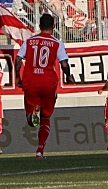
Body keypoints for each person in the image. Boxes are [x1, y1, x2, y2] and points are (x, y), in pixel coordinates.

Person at [16, 13, 73, 159]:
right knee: (46, 118)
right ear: (54, 27)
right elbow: (64, 64)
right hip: (48, 83)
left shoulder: (29, 41)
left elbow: (18, 59)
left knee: (31, 120)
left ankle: (32, 115)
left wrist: (18, 76)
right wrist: (68, 75)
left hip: (31, 81)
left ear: (39, 26)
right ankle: (40, 151)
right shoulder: (57, 43)